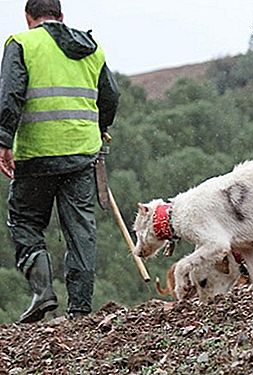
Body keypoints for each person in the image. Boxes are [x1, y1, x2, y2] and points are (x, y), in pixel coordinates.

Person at [0, 0, 119, 323]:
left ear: (28, 18)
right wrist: (99, 128)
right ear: (61, 17)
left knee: (25, 220)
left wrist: (3, 140)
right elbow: (110, 96)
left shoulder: (21, 43)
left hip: (37, 154)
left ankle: (42, 294)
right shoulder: (90, 47)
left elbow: (10, 94)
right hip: (81, 153)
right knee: (80, 229)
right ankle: (80, 309)